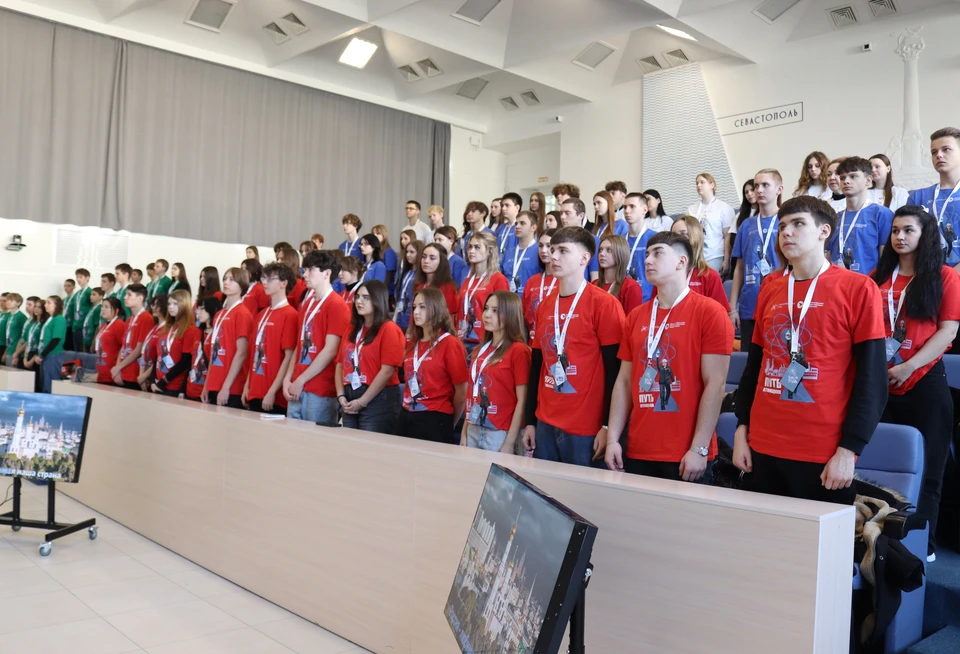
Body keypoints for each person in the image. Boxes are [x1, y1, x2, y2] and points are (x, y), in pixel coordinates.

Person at [733, 196, 887, 505]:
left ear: (823, 231)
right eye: (782, 226)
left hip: (822, 450)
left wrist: (849, 449)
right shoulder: (771, 287)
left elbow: (872, 378)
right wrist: (741, 429)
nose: (786, 232)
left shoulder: (858, 288)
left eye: (798, 224)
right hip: (762, 443)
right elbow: (755, 365)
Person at [605, 231, 733, 482]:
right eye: (646, 254)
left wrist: (699, 448)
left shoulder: (710, 312)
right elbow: (624, 381)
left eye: (658, 253)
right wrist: (612, 439)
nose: (647, 260)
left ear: (681, 261)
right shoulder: (636, 316)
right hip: (639, 448)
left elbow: (715, 384)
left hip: (687, 452)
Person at [871, 206, 960, 561]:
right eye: (895, 230)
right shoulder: (878, 277)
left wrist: (909, 366)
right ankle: (878, 538)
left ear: (925, 235)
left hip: (924, 380)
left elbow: (948, 331)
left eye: (908, 230)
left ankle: (925, 541)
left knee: (930, 467)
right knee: (880, 462)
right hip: (879, 383)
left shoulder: (944, 276)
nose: (900, 237)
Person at [522, 226, 625, 466]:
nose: (553, 256)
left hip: (586, 428)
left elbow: (616, 372)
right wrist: (530, 421)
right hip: (545, 422)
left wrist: (607, 427)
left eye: (563, 251)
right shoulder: (545, 305)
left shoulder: (604, 305)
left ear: (584, 258)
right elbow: (537, 366)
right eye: (552, 250)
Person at [284, 250, 351, 426]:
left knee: (314, 440)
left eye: (310, 270)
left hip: (320, 389)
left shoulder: (337, 305)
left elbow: (331, 350)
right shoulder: (308, 303)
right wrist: (288, 378)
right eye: (304, 269)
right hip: (298, 385)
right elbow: (299, 345)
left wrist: (301, 379)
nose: (304, 274)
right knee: (291, 438)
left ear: (327, 273)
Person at [463, 291, 530, 453]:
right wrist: (465, 431)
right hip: (473, 427)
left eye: (495, 310)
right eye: (486, 308)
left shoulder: (519, 351)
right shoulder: (479, 350)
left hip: (500, 432)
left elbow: (522, 401)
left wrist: (510, 442)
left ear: (510, 314)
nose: (487, 314)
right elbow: (472, 394)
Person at [336, 280, 405, 434]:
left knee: (368, 445)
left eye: (365, 297)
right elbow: (340, 364)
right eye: (357, 297)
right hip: (349, 395)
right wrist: (341, 396)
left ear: (378, 299)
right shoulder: (352, 328)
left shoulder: (389, 329)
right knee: (349, 443)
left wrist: (362, 401)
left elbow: (387, 371)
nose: (359, 301)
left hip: (377, 398)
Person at [399, 288, 468, 442]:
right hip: (407, 413)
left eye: (422, 307)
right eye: (414, 307)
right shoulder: (412, 343)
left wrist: (449, 422)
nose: (416, 312)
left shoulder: (450, 343)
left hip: (435, 418)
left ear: (436, 308)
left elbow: (461, 391)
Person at [730, 169, 783, 347]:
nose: (759, 190)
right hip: (750, 304)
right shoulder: (746, 225)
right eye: (756, 186)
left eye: (765, 185)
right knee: (750, 359)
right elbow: (739, 267)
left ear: (779, 189)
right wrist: (732, 308)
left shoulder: (786, 221)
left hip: (779, 301)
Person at [242, 263, 298, 414]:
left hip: (273, 395)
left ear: (284, 283)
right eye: (263, 278)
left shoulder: (290, 315)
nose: (265, 282)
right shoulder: (262, 314)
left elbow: (288, 357)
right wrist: (247, 385)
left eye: (270, 279)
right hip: (255, 389)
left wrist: (272, 391)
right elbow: (255, 353)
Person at [828, 156, 894, 274]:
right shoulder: (835, 218)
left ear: (868, 180)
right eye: (842, 178)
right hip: (836, 281)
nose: (846, 181)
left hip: (868, 281)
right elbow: (828, 255)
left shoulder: (881, 214)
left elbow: (886, 260)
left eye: (853, 176)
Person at [908, 127, 960, 268]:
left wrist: (953, 275)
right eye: (934, 152)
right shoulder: (917, 197)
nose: (939, 155)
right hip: (928, 274)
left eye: (946, 149)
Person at [201, 268, 254, 408]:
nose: (226, 282)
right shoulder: (219, 314)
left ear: (242, 285)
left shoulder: (242, 313)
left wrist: (226, 387)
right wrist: (207, 384)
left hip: (232, 387)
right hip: (215, 382)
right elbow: (214, 351)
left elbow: (241, 352)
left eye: (232, 280)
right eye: (225, 278)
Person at [458, 231, 509, 356]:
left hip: (485, 341)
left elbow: (504, 314)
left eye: (477, 247)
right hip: (462, 339)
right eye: (470, 247)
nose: (471, 251)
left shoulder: (498, 279)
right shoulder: (467, 281)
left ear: (489, 251)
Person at [669, 217, 731, 311]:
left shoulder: (710, 276)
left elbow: (720, 313)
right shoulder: (664, 276)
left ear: (695, 237)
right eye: (673, 235)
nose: (676, 240)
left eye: (683, 234)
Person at [150, 290, 201, 398]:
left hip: (173, 386)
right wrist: (152, 379)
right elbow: (159, 355)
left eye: (175, 304)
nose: (171, 307)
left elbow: (185, 362)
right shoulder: (167, 328)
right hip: (158, 383)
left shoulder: (190, 330)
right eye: (169, 304)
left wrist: (164, 381)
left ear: (184, 304)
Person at [687, 173, 736, 274]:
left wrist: (727, 260)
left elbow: (727, 236)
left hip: (715, 255)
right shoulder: (691, 209)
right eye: (697, 183)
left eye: (702, 182)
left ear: (712, 185)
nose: (698, 185)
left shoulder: (724, 207)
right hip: (695, 256)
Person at [111, 284, 152, 390]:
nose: (125, 297)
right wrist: (117, 369)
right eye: (125, 294)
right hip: (123, 371)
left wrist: (119, 367)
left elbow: (139, 349)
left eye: (129, 295)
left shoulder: (146, 318)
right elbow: (123, 346)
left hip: (134, 373)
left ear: (140, 298)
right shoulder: (129, 320)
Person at [522, 229, 557, 339]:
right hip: (532, 341)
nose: (543, 250)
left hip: (555, 341)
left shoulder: (564, 280)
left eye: (549, 246)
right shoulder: (532, 281)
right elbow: (524, 316)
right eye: (541, 246)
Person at [595, 235, 643, 316]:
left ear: (620, 253)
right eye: (600, 250)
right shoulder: (593, 284)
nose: (602, 254)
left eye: (609, 250)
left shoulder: (631, 287)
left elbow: (632, 320)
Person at [185, 296, 221, 401]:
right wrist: (182, 389)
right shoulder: (197, 332)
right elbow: (190, 361)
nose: (198, 312)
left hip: (207, 392)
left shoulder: (218, 334)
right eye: (197, 309)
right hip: (191, 388)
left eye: (202, 309)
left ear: (212, 309)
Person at [623, 192, 656, 302]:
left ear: (645, 210)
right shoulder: (621, 240)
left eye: (632, 206)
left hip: (647, 299)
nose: (627, 211)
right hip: (624, 299)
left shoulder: (655, 238)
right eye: (625, 207)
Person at [559, 198, 599, 281]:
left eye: (567, 213)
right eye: (561, 213)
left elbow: (595, 276)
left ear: (581, 215)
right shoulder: (558, 240)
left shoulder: (592, 240)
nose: (562, 217)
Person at [34, 296, 67, 393]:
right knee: (43, 384)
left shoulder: (59, 319)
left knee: (50, 385)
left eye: (49, 303)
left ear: (56, 305)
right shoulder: (50, 319)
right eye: (46, 303)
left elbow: (56, 339)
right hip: (45, 355)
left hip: (53, 355)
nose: (45, 305)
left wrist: (42, 355)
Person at [501, 211, 540, 294]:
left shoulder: (539, 251)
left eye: (522, 223)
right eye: (516, 223)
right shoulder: (508, 253)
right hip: (509, 298)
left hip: (531, 298)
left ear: (533, 227)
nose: (517, 226)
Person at [415, 244, 458, 317]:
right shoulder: (419, 285)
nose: (426, 261)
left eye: (432, 258)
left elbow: (450, 317)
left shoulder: (448, 287)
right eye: (424, 257)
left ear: (441, 262)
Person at [94, 297, 126, 386]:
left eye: (106, 307)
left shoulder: (119, 325)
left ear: (116, 310)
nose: (103, 309)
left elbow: (124, 348)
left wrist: (118, 368)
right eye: (102, 306)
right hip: (102, 372)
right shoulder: (104, 326)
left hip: (112, 374)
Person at [136, 294, 166, 391]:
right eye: (153, 305)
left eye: (158, 305)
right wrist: (141, 375)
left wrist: (144, 376)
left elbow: (159, 357)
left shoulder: (166, 329)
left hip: (153, 376)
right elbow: (144, 352)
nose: (154, 308)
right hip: (144, 376)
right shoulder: (155, 327)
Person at [394, 240, 423, 331]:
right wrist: (395, 317)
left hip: (411, 316)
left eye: (412, 252)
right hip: (400, 315)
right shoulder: (406, 273)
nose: (408, 255)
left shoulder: (421, 275)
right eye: (407, 252)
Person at [19, 299, 46, 372]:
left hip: (36, 355)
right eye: (35, 307)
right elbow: (28, 341)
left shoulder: (44, 324)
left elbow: (41, 343)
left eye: (39, 307)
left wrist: (32, 360)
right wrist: (25, 358)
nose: (36, 309)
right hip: (28, 353)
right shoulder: (33, 323)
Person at [70, 268, 93, 350]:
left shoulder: (90, 292)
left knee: (83, 350)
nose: (78, 279)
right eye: (77, 277)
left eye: (81, 277)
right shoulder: (77, 294)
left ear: (87, 278)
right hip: (76, 325)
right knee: (76, 349)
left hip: (85, 326)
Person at [372, 225, 398, 294]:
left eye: (378, 233)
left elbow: (389, 274)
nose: (375, 235)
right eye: (373, 233)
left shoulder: (389, 252)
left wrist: (383, 291)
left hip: (385, 290)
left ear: (384, 235)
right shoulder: (375, 251)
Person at [3, 294, 27, 366]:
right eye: (7, 300)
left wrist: (17, 353)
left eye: (11, 300)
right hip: (9, 349)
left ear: (18, 303)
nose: (8, 302)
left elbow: (24, 336)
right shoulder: (10, 316)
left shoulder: (21, 317)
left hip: (16, 351)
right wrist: (6, 352)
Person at [80, 288, 103, 354]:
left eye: (94, 294)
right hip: (86, 338)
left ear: (100, 297)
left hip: (91, 338)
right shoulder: (91, 308)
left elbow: (97, 326)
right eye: (91, 294)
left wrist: (93, 342)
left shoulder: (99, 308)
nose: (91, 296)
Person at [62, 278, 76, 351]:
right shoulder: (64, 300)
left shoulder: (75, 299)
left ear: (74, 287)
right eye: (65, 286)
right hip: (64, 326)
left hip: (72, 326)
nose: (66, 288)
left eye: (68, 286)